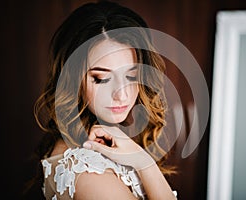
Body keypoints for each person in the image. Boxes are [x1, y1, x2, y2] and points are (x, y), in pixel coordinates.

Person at [30, 1, 178, 199]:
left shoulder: (105, 139)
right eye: (101, 79)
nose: (122, 95)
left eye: (131, 76)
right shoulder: (89, 173)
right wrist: (145, 163)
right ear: (73, 80)